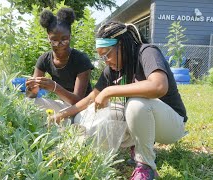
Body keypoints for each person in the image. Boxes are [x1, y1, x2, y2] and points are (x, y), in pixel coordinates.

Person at [50, 21, 188, 180]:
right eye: (102, 56)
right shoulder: (112, 69)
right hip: (146, 122)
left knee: (135, 104)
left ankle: (145, 166)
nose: (105, 60)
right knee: (91, 113)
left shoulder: (146, 52)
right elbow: (90, 99)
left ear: (121, 45)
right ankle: (136, 145)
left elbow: (158, 86)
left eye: (107, 54)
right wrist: (61, 115)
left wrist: (109, 90)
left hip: (171, 124)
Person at [25, 8, 94, 113]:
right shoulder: (44, 59)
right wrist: (32, 90)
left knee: (77, 119)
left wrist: (55, 87)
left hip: (85, 107)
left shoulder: (81, 59)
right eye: (54, 40)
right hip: (64, 105)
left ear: (70, 36)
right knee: (29, 103)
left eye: (64, 39)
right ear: (48, 38)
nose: (59, 44)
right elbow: (31, 96)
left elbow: (78, 101)